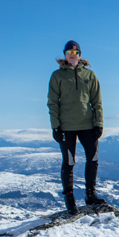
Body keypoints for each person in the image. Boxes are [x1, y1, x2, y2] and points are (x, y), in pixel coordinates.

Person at [47, 40, 106, 215]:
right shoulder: (57, 76)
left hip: (88, 125)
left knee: (93, 159)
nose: (72, 55)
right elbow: (52, 103)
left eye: (75, 52)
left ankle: (90, 195)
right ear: (64, 55)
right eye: (69, 52)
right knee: (69, 162)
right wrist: (55, 127)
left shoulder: (90, 75)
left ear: (79, 55)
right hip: (66, 127)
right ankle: (70, 199)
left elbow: (97, 102)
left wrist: (99, 123)